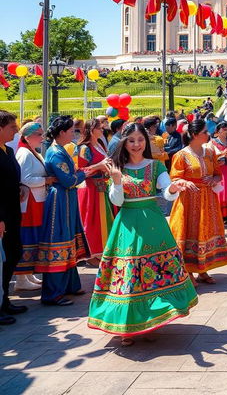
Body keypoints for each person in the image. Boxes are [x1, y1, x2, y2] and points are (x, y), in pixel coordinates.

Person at [87, 123, 198, 345]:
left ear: (146, 142)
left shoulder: (156, 166)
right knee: (129, 275)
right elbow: (116, 201)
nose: (136, 145)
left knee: (154, 273)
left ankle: (151, 319)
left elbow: (166, 193)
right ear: (124, 143)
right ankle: (127, 327)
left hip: (153, 225)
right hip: (127, 225)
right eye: (131, 141)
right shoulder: (117, 167)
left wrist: (175, 188)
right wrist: (117, 181)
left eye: (140, 140)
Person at [37, 116, 106, 306]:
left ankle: (69, 285)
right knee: (58, 240)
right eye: (70, 131)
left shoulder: (60, 150)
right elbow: (68, 180)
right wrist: (90, 171)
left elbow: (69, 177)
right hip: (60, 200)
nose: (73, 134)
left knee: (68, 240)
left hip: (67, 198)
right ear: (61, 133)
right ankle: (53, 293)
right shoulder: (56, 153)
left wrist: (79, 173)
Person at [169, 119, 227, 284]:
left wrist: (214, 179)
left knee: (205, 232)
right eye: (205, 132)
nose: (208, 134)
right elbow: (174, 178)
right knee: (190, 233)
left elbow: (218, 173)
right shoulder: (181, 155)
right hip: (189, 200)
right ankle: (188, 272)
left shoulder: (210, 153)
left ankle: (202, 269)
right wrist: (185, 182)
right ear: (195, 135)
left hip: (208, 199)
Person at [14, 122, 50, 291]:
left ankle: (28, 274)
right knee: (27, 237)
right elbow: (25, 178)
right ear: (28, 137)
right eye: (39, 135)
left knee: (32, 237)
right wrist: (46, 180)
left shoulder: (30, 152)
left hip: (35, 201)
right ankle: (21, 278)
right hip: (29, 203)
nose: (42, 138)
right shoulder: (24, 153)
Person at [77, 118, 115, 264]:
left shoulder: (99, 144)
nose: (102, 130)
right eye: (99, 128)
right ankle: (92, 254)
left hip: (102, 187)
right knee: (92, 222)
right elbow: (81, 170)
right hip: (91, 188)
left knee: (103, 221)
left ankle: (101, 251)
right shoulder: (84, 148)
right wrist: (99, 166)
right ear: (91, 130)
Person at [0, 110, 26, 322]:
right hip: (2, 215)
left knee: (13, 253)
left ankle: (4, 300)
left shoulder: (7, 150)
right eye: (11, 127)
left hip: (12, 211)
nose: (16, 130)